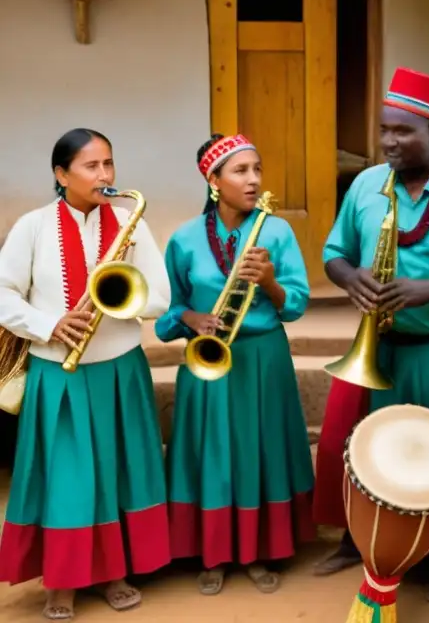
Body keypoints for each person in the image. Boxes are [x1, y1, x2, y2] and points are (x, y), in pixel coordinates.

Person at [318, 67, 429, 601]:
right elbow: (334, 254)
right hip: (382, 351)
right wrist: (352, 279)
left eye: (403, 132)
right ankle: (365, 545)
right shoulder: (365, 186)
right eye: (384, 130)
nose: (389, 141)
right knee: (373, 456)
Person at [0, 128, 172, 619]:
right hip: (60, 375)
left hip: (120, 372)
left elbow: (159, 297)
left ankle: (114, 572)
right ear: (61, 174)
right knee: (68, 480)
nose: (105, 175)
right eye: (91, 166)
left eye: (109, 164)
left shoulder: (131, 224)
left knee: (118, 473)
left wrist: (125, 297)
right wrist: (48, 322)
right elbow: (3, 292)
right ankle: (62, 581)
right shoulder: (32, 227)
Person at [156, 133, 315, 596]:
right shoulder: (184, 239)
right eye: (240, 171)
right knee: (213, 453)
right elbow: (168, 312)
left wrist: (269, 281)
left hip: (263, 358)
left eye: (257, 170)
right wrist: (191, 318)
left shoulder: (277, 232)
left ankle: (260, 550)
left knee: (260, 449)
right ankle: (213, 552)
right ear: (213, 181)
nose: (253, 180)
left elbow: (297, 304)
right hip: (208, 360)